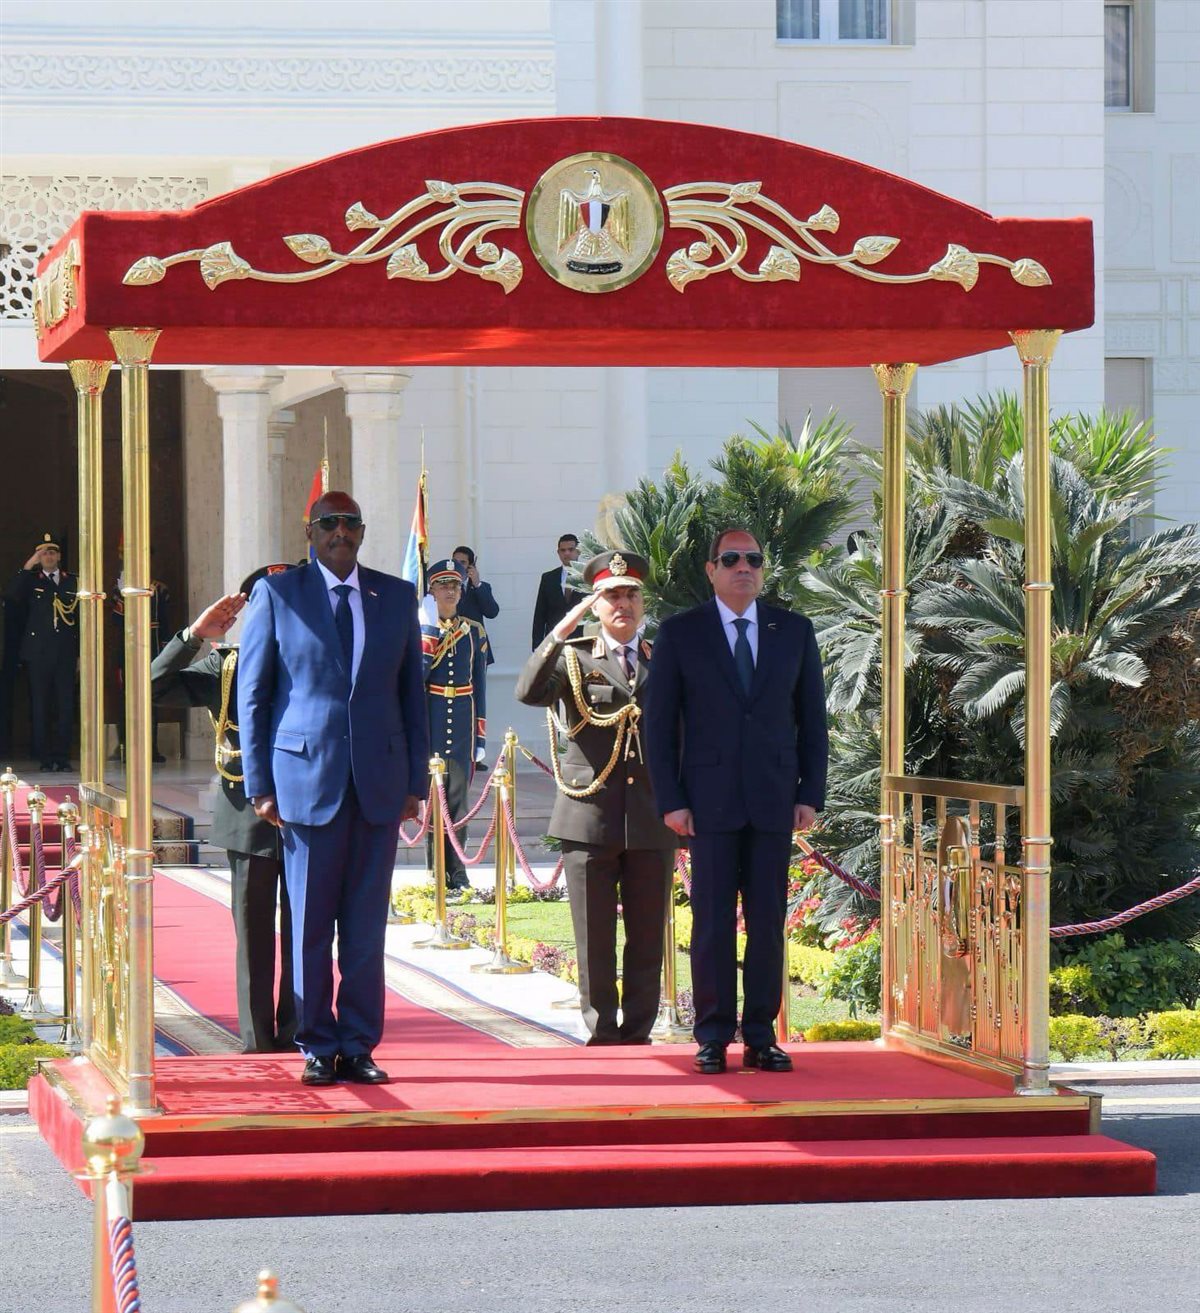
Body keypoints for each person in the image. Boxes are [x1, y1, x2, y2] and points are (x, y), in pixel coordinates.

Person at [237, 492, 428, 1087]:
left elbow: (412, 695)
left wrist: (415, 782)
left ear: (362, 533)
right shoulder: (278, 594)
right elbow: (254, 695)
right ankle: (317, 1044)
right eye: (328, 524)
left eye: (349, 524)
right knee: (310, 926)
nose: (339, 532)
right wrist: (260, 784)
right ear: (310, 533)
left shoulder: (396, 595)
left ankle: (359, 1043)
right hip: (305, 781)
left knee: (366, 929)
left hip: (378, 784)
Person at [645, 527, 828, 1075]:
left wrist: (810, 793)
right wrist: (671, 800)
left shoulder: (792, 631)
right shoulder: (681, 633)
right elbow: (659, 726)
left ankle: (761, 1036)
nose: (743, 567)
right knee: (712, 924)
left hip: (774, 800)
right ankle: (712, 1035)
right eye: (731, 559)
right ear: (711, 570)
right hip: (708, 803)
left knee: (768, 923)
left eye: (753, 559)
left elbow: (812, 720)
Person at [517, 550, 675, 1045]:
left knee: (647, 935)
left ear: (642, 602)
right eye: (611, 596)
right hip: (588, 815)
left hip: (650, 816)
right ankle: (602, 1030)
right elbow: (529, 692)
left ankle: (639, 1030)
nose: (622, 604)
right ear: (595, 604)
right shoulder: (573, 656)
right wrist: (560, 631)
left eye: (631, 594)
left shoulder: (662, 658)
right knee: (593, 935)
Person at [150, 569, 297, 1054]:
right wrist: (194, 636)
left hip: (310, 812)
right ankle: (258, 1038)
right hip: (247, 813)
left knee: (306, 930)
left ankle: (301, 1029)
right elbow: (151, 688)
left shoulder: (322, 656)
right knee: (253, 933)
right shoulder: (228, 665)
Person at [421, 558, 489, 893]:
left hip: (463, 720)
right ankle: (436, 869)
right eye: (442, 585)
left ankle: (458, 872)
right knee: (434, 798)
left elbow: (480, 685)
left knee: (459, 801)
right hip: (432, 718)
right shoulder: (422, 631)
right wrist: (428, 636)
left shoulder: (473, 631)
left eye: (455, 586)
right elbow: (416, 680)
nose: (450, 591)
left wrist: (480, 735)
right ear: (431, 592)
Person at [5, 533, 77, 771]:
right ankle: (44, 758)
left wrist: (79, 654)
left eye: (52, 552)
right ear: (39, 557)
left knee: (65, 707)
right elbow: (11, 594)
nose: (48, 557)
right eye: (44, 553)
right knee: (40, 707)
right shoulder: (30, 580)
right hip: (38, 654)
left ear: (59, 556)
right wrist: (29, 565)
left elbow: (79, 618)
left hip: (65, 653)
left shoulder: (71, 581)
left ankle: (62, 757)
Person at [452, 544, 498, 769]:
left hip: (476, 653)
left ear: (471, 565)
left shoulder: (481, 587)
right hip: (452, 651)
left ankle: (475, 751)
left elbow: (492, 611)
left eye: (462, 562)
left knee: (476, 702)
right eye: (455, 561)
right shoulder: (446, 587)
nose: (458, 566)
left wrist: (477, 584)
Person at [531, 533, 585, 648]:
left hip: (583, 641)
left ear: (579, 551)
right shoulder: (548, 578)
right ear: (558, 552)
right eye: (563, 550)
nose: (567, 553)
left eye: (571, 549)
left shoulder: (589, 576)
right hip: (555, 641)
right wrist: (537, 645)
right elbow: (540, 614)